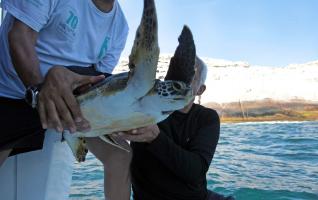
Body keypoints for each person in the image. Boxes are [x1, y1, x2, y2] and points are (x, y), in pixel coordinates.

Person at [0, 0, 131, 199]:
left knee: (121, 154)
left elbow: (98, 79)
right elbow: (20, 36)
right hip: (12, 93)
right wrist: (40, 91)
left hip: (70, 99)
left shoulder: (120, 26)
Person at [115, 56, 235, 200]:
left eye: (189, 78)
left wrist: (155, 138)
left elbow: (196, 171)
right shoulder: (144, 106)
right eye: (175, 76)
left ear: (200, 90)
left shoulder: (206, 118)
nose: (179, 81)